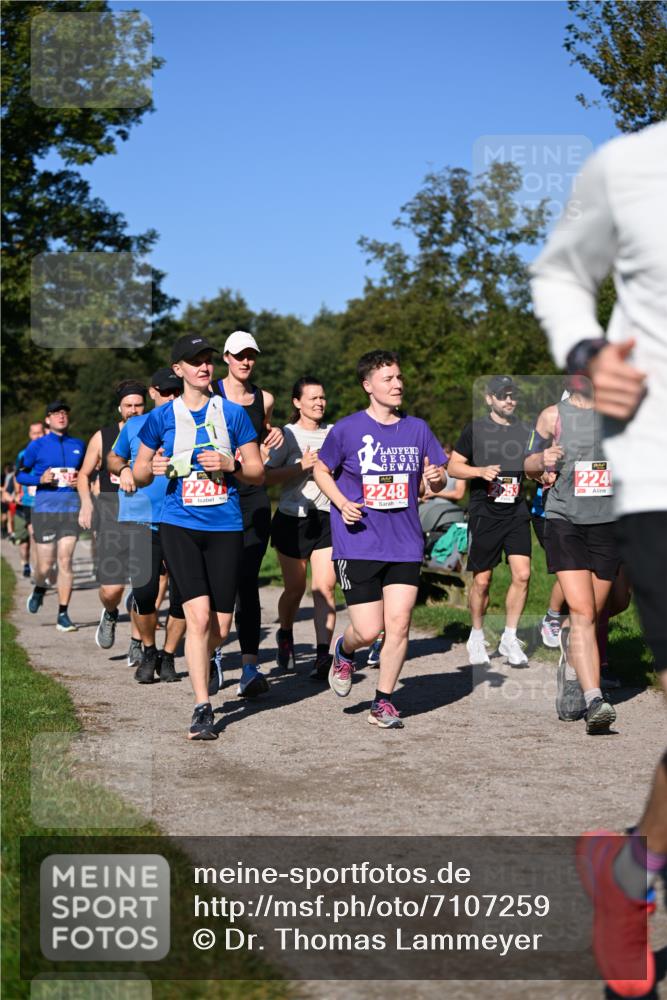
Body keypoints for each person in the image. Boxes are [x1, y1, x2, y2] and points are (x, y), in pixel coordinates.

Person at [530, 120, 667, 997]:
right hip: (654, 475)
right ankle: (633, 882)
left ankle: (628, 875)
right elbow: (558, 273)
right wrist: (585, 353)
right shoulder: (631, 164)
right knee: (586, 609)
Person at [133, 334, 264, 740]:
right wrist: (150, 466)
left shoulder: (233, 413)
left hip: (225, 525)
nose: (204, 367)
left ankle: (204, 658)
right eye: (194, 361)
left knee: (221, 627)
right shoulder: (162, 417)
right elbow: (137, 474)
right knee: (199, 617)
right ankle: (202, 707)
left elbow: (257, 471)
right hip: (180, 524)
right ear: (178, 370)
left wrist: (230, 463)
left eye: (207, 360)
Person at [313, 350, 446, 730]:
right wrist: (341, 502)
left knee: (399, 624)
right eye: (387, 379)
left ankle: (383, 701)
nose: (397, 384)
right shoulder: (347, 429)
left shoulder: (418, 428)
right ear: (368, 386)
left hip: (405, 541)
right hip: (359, 540)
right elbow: (322, 470)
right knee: (370, 630)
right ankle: (344, 649)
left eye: (399, 377)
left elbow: (435, 476)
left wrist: (436, 480)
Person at [524, 376, 620, 734]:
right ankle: (595, 698)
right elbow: (528, 463)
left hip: (608, 523)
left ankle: (570, 666)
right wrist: (541, 460)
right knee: (581, 611)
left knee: (593, 613)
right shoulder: (552, 416)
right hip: (565, 521)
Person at [209, 330, 283, 698]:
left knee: (247, 581)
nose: (246, 361)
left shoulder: (264, 398)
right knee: (218, 579)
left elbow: (264, 434)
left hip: (253, 496)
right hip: (216, 495)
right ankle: (213, 652)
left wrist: (276, 434)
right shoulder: (210, 395)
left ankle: (250, 668)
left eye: (251, 355)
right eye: (239, 355)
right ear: (225, 357)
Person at [107, 368, 186, 683]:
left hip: (180, 518)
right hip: (140, 517)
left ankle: (168, 656)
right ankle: (149, 648)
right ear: (154, 393)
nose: (171, 398)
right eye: (166, 392)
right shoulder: (136, 424)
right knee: (143, 591)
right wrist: (125, 467)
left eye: (176, 392)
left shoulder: (191, 426)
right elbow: (113, 458)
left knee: (181, 594)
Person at [447, 376, 532, 667]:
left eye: (512, 395)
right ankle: (477, 634)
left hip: (517, 509)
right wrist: (479, 471)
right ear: (489, 399)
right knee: (482, 581)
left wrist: (541, 472)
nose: (509, 400)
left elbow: (531, 465)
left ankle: (510, 636)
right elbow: (453, 466)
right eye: (502, 395)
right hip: (485, 509)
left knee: (522, 574)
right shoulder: (476, 429)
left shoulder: (525, 430)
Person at [264, 377, 336, 680]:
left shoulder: (334, 434)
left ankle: (322, 656)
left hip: (325, 518)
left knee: (324, 587)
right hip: (292, 519)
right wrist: (301, 467)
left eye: (322, 398)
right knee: (295, 589)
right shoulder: (287, 436)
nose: (319, 403)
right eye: (312, 398)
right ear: (297, 402)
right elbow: (265, 477)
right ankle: (285, 633)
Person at [77, 381, 147, 653]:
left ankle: (138, 640)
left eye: (138, 405)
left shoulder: (156, 433)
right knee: (112, 590)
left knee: (145, 585)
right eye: (128, 405)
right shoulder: (103, 436)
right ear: (120, 408)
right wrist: (86, 504)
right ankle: (109, 612)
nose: (133, 410)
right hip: (111, 513)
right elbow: (83, 475)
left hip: (145, 514)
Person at [17, 401, 85, 631]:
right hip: (45, 510)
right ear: (48, 419)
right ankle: (39, 588)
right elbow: (20, 476)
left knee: (65, 561)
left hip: (70, 511)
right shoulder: (36, 446)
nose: (61, 417)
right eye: (56, 414)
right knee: (45, 566)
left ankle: (63, 614)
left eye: (64, 413)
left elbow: (88, 474)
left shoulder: (78, 445)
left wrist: (81, 481)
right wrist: (40, 480)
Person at [14, 421, 45, 577]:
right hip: (29, 501)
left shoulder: (49, 451)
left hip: (49, 500)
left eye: (40, 433)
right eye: (34, 433)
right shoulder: (23, 454)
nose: (37, 436)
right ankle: (37, 572)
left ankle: (47, 567)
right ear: (30, 435)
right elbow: (17, 475)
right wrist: (18, 491)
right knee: (34, 536)